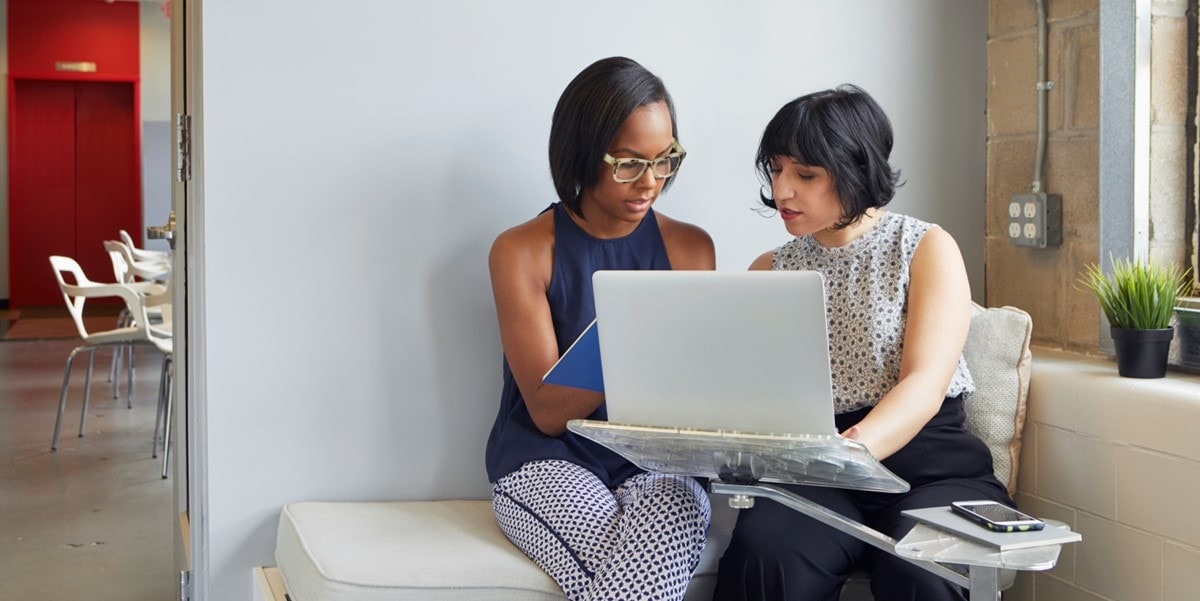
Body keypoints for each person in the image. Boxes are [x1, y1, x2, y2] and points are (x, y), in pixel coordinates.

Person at [712, 85, 1014, 601]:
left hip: (929, 467)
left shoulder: (925, 247)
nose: (782, 190)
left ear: (856, 168)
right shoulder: (769, 269)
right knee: (769, 556)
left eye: (805, 175)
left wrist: (849, 451)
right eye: (776, 170)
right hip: (815, 474)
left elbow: (924, 383)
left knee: (928, 573)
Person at [484, 56, 716, 601]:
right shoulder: (522, 250)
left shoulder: (691, 247)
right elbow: (548, 413)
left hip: (661, 461)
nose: (651, 183)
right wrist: (643, 327)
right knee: (640, 580)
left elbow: (695, 392)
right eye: (630, 164)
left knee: (648, 556)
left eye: (665, 161)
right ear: (584, 154)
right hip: (547, 459)